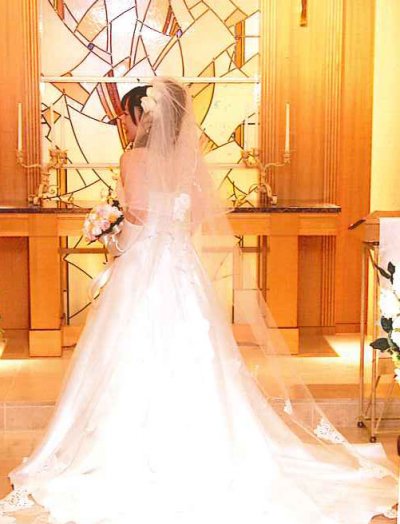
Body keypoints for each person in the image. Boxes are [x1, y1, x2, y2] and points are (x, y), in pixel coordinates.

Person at [0, 77, 397, 523]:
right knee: (193, 350)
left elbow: (139, 214)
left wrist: (113, 231)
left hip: (143, 265)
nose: (125, 125)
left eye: (126, 116)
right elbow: (190, 219)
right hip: (181, 267)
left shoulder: (133, 158)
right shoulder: (187, 162)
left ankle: (128, 447)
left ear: (141, 116)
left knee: (132, 348)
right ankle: (208, 442)